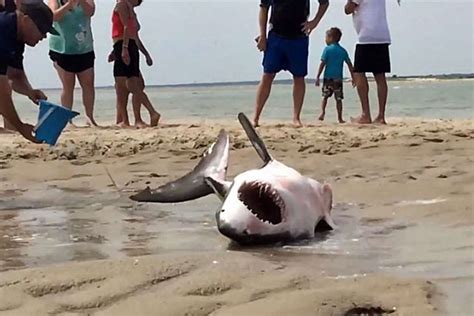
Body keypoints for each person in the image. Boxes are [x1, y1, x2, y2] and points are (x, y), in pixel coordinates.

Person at [253, 0, 330, 127]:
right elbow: (264, 8)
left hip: (299, 37)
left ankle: (296, 117)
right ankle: (255, 117)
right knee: (267, 75)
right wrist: (262, 35)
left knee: (299, 77)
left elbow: (324, 3)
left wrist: (314, 22)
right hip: (276, 36)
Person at [0, 0, 57, 142]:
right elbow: (1, 93)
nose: (44, 36)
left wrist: (29, 92)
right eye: (42, 29)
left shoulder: (17, 35)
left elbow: (15, 75)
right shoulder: (3, 29)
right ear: (26, 20)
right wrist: (20, 127)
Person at [48, 0, 98, 127]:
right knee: (68, 85)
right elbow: (53, 16)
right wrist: (68, 6)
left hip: (84, 48)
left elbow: (90, 11)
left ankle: (89, 117)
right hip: (62, 48)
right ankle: (67, 119)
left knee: (88, 83)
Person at [112, 0, 160, 128]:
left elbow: (127, 29)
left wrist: (124, 48)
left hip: (124, 45)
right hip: (127, 45)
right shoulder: (129, 9)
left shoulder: (122, 5)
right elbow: (133, 35)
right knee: (131, 83)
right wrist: (145, 54)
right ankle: (130, 120)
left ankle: (149, 113)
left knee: (126, 84)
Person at [345, 0, 393, 124]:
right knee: (380, 76)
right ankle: (381, 115)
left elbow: (348, 9)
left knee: (359, 72)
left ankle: (366, 114)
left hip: (366, 36)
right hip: (382, 34)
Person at [315, 27, 355, 123]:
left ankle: (322, 113)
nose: (325, 40)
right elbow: (350, 65)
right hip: (338, 79)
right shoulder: (342, 50)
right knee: (338, 99)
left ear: (331, 38)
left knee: (325, 96)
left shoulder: (327, 50)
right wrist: (354, 77)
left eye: (326, 37)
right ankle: (340, 118)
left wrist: (317, 76)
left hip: (328, 78)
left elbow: (322, 64)